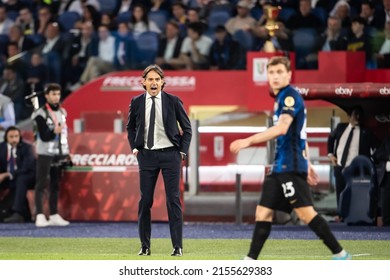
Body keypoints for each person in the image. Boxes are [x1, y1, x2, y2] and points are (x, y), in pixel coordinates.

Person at [230, 56, 351, 260]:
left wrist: (247, 141)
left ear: (289, 74)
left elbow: (283, 128)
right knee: (263, 212)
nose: (275, 76)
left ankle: (341, 254)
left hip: (290, 166)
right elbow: (301, 134)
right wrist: (310, 162)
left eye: (279, 72)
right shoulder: (281, 98)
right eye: (272, 72)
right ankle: (250, 261)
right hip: (280, 166)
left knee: (305, 213)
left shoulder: (289, 97)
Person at [126, 64, 192, 257]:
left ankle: (177, 246)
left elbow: (187, 129)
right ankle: (145, 247)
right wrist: (135, 148)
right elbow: (130, 127)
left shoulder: (173, 101)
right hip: (146, 156)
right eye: (150, 79)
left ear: (162, 82)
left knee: (173, 200)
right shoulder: (136, 102)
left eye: (157, 79)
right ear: (143, 82)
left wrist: (182, 152)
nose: (153, 82)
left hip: (171, 155)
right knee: (145, 201)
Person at [32, 83, 71, 227]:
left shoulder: (63, 112)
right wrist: (54, 131)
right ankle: (40, 215)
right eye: (53, 94)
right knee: (41, 184)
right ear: (47, 96)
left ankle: (54, 214)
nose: (56, 97)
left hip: (59, 152)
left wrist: (67, 151)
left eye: (58, 94)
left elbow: (65, 133)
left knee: (55, 185)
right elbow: (43, 135)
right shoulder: (40, 113)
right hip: (45, 152)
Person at [327, 106, 377, 217]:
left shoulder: (366, 132)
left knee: (356, 194)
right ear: (349, 116)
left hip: (357, 170)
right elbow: (331, 138)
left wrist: (371, 161)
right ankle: (341, 216)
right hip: (340, 166)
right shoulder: (341, 127)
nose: (357, 117)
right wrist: (331, 154)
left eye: (359, 115)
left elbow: (377, 147)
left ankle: (355, 216)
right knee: (340, 193)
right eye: (355, 114)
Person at [0, 126, 36, 223]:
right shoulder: (1, 148)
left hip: (26, 177)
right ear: (6, 137)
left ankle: (17, 213)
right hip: (7, 178)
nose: (14, 139)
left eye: (16, 136)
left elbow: (26, 168)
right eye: (11, 137)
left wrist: (7, 174)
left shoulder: (27, 148)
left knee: (21, 179)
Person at [373, 128, 390, 226]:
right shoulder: (387, 139)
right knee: (386, 204)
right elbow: (377, 155)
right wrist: (388, 157)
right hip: (387, 177)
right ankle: (386, 230)